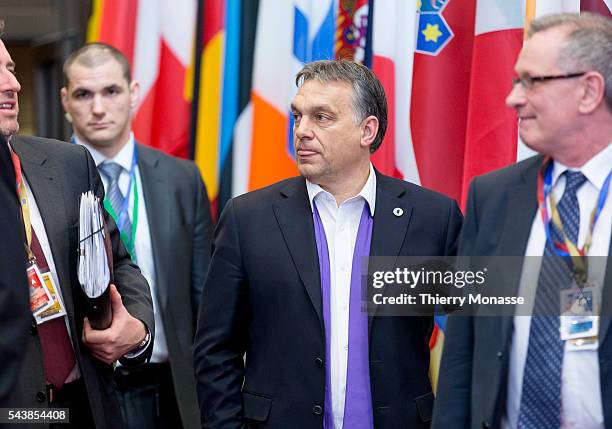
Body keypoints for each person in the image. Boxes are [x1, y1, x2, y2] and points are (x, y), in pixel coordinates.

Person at [194, 59, 462, 428]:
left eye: (321, 117)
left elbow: (479, 331)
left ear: (368, 130)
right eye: (297, 116)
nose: (302, 130)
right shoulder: (248, 219)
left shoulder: (431, 218)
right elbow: (215, 351)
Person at [433, 12, 612, 429]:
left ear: (589, 91)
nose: (513, 98)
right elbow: (463, 348)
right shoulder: (493, 197)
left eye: (532, 81)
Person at [0, 35, 154, 428]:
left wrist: (136, 326)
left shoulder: (68, 163)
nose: (12, 85)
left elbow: (118, 263)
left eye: (12, 69)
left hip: (86, 403)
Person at [61, 42, 213, 429]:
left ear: (133, 93)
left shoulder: (183, 179)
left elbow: (204, 300)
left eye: (111, 91)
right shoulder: (45, 182)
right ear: (65, 101)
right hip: (89, 392)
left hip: (172, 388)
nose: (98, 108)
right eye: (83, 94)